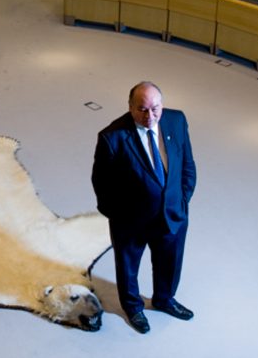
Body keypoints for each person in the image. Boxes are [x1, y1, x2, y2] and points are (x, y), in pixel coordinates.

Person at [91, 81, 196, 334]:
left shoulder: (177, 121)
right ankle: (133, 307)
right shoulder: (112, 137)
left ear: (162, 105)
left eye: (155, 108)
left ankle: (164, 299)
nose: (150, 116)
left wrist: (181, 200)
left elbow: (187, 165)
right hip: (132, 222)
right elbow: (102, 184)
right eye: (142, 109)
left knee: (170, 262)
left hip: (172, 214)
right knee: (128, 268)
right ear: (130, 107)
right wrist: (120, 217)